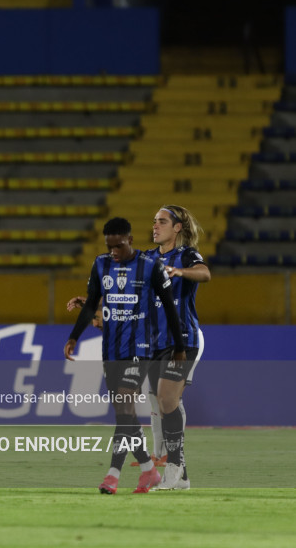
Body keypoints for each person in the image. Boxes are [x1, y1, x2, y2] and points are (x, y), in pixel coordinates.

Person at [64, 217, 186, 495]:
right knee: (123, 413)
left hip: (139, 350)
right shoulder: (100, 264)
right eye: (110, 247)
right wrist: (74, 336)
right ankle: (148, 471)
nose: (114, 252)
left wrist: (179, 347)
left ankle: (112, 475)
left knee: (124, 408)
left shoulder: (149, 267)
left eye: (118, 246)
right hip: (110, 351)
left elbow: (169, 308)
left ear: (130, 240)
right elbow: (91, 303)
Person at [145, 205, 211, 490]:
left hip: (182, 339)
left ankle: (176, 468)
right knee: (160, 402)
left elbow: (205, 273)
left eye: (162, 221)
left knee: (168, 400)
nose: (155, 226)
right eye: (155, 221)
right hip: (153, 341)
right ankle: (174, 470)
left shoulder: (186, 254)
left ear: (177, 228)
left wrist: (180, 272)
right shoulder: (146, 258)